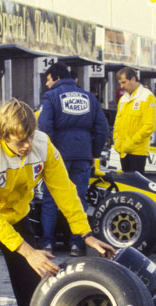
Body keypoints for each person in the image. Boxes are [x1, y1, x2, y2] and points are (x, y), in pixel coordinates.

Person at [0, 99, 115, 306]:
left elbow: (65, 190)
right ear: (3, 135)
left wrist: (85, 233)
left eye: (30, 136)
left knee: (31, 278)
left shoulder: (43, 145)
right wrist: (28, 251)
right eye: (21, 141)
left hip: (17, 212)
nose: (28, 145)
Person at [37, 62, 108, 256]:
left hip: (58, 154)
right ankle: (77, 243)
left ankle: (47, 243)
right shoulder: (89, 97)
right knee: (79, 198)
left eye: (48, 80)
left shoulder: (50, 96)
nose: (46, 84)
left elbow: (44, 126)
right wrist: (94, 152)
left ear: (57, 78)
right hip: (83, 155)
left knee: (51, 198)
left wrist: (47, 152)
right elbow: (102, 128)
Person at [112, 67, 156, 174]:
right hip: (123, 150)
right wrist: (117, 141)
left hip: (138, 151)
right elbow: (118, 122)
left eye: (124, 82)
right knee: (126, 184)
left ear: (133, 79)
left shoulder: (147, 97)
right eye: (120, 83)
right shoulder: (124, 99)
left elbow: (150, 125)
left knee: (136, 186)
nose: (121, 86)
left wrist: (131, 143)